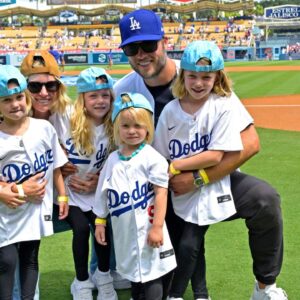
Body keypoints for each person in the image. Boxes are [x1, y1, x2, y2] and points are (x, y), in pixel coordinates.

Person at [114, 9, 287, 300]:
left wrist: (199, 178)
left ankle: (264, 287)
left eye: (148, 45)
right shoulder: (124, 90)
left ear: (164, 42)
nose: (142, 54)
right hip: (161, 187)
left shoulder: (201, 76)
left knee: (265, 199)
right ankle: (114, 268)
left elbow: (251, 142)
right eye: (132, 48)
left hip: (211, 177)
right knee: (163, 282)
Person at [154, 40, 244, 299]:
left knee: (189, 243)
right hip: (179, 191)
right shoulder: (171, 110)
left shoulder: (222, 105)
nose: (198, 83)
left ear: (218, 76)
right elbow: (160, 152)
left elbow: (216, 155)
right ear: (183, 75)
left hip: (210, 187)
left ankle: (175, 294)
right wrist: (166, 170)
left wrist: (176, 166)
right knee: (194, 243)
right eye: (192, 76)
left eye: (206, 77)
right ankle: (202, 293)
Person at [94, 92, 176, 300]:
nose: (132, 131)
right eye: (126, 126)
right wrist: (100, 221)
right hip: (124, 231)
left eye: (138, 126)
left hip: (149, 228)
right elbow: (102, 193)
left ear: (148, 127)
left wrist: (157, 227)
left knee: (153, 274)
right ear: (116, 128)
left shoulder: (152, 158)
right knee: (134, 274)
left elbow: (161, 193)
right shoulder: (113, 160)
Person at [0, 65, 69, 299]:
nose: (15, 104)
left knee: (30, 258)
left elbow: (56, 166)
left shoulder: (44, 128)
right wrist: (11, 191)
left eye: (19, 97)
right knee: (6, 261)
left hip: (33, 211)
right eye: (6, 100)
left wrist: (62, 196)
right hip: (5, 213)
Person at [51, 66, 117, 300]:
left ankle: (103, 275)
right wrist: (58, 158)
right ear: (83, 98)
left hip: (96, 191)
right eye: (93, 95)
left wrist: (100, 180)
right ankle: (81, 281)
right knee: (80, 229)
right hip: (68, 191)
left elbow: (118, 158)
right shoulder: (66, 115)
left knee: (103, 227)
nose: (100, 101)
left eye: (105, 95)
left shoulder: (114, 123)